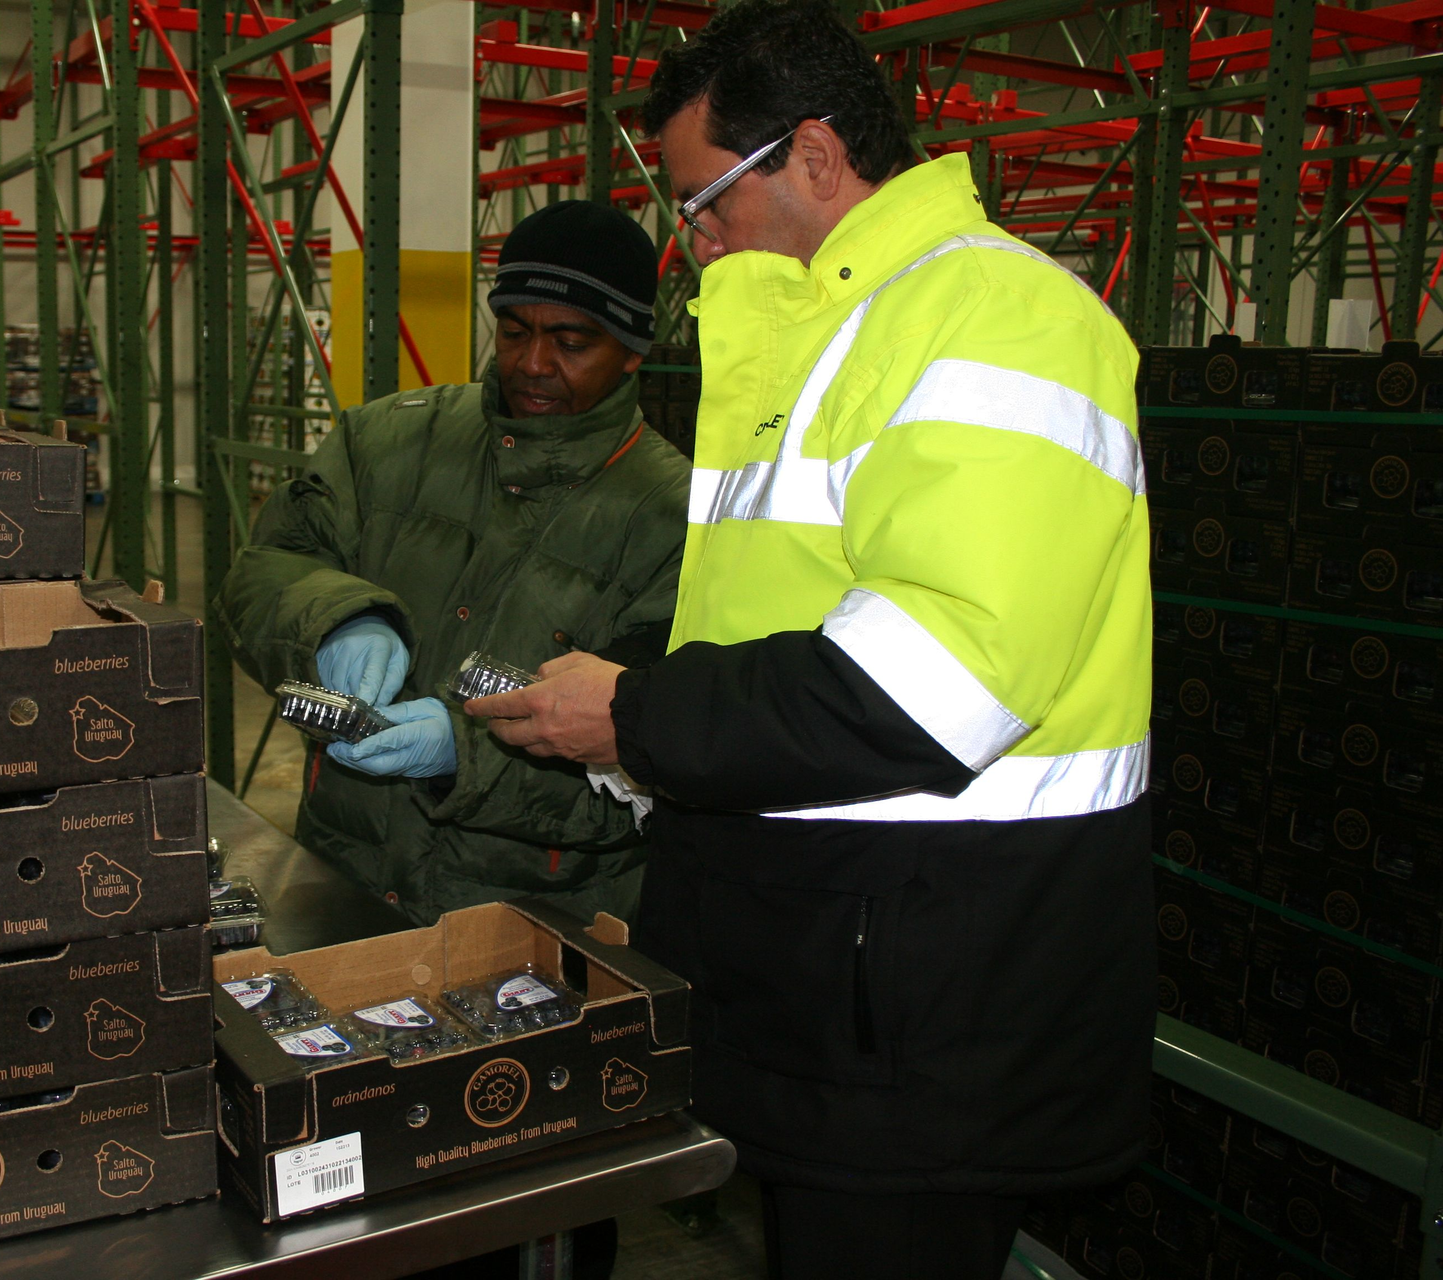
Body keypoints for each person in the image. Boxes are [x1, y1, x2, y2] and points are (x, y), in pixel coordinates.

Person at [464, 4, 1153, 1278]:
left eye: (703, 200)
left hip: (933, 1001)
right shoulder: (823, 335)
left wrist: (634, 715)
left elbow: (939, 681)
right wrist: (633, 700)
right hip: (832, 973)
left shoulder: (996, 321)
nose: (693, 238)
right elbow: (775, 622)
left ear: (817, 156)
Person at [211, 200, 691, 928]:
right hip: (341, 877)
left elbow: (656, 760)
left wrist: (468, 755)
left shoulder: (675, 517)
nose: (533, 363)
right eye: (514, 331)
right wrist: (337, 622)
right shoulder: (384, 442)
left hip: (528, 920)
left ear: (631, 351)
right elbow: (269, 563)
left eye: (571, 342)